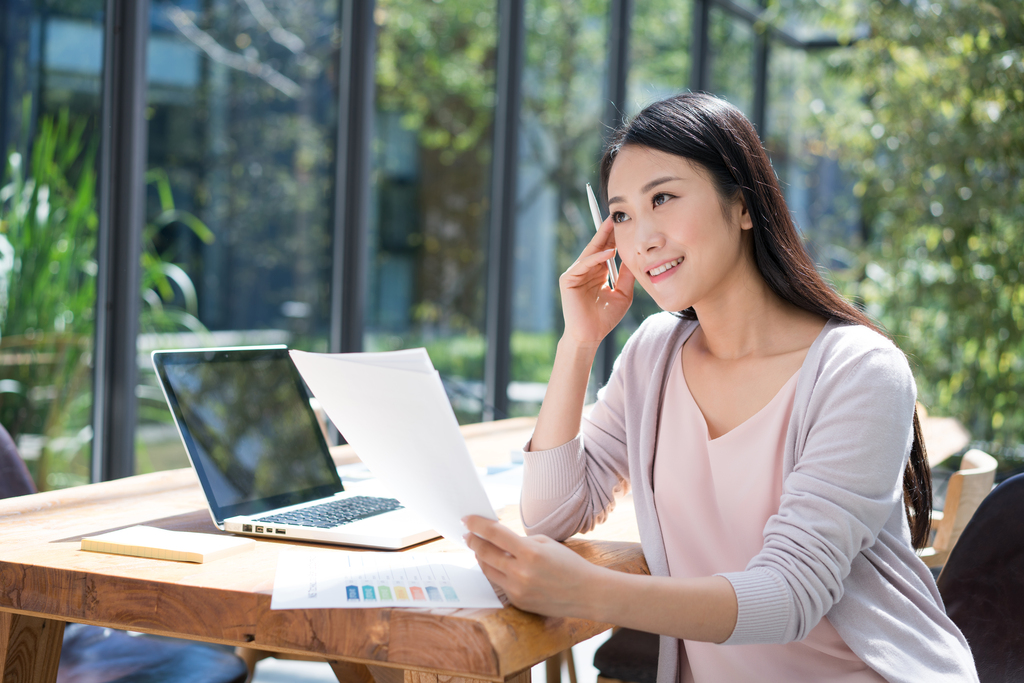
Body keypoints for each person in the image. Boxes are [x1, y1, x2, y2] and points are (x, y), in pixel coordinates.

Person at [463, 92, 978, 682]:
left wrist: (593, 594)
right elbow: (553, 514)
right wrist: (577, 343)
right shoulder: (653, 354)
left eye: (663, 198)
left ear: (743, 206)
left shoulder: (859, 371)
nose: (642, 237)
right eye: (623, 214)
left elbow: (789, 595)